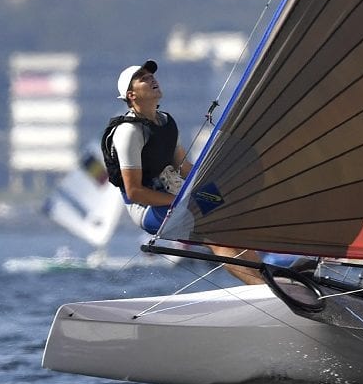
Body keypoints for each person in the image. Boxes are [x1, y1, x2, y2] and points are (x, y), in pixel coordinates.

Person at [111, 59, 263, 284]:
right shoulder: (129, 132)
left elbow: (184, 168)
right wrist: (179, 200)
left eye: (151, 75)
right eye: (143, 78)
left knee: (233, 218)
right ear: (131, 95)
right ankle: (265, 290)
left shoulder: (165, 122)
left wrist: (219, 184)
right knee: (216, 236)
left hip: (177, 194)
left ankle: (275, 279)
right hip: (148, 209)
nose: (152, 78)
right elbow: (134, 192)